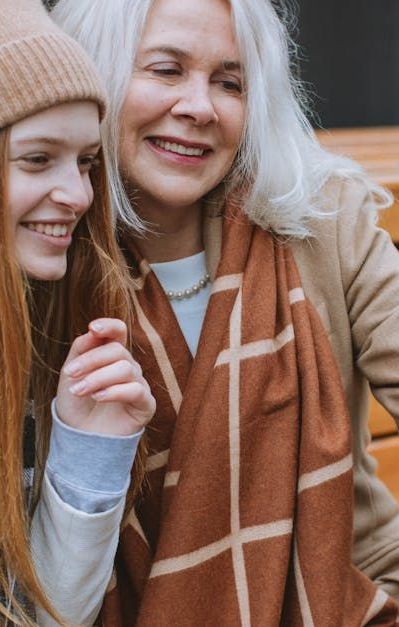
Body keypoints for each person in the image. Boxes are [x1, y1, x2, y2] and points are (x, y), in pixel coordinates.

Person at [51, 0, 399, 624]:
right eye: (166, 70)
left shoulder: (324, 220)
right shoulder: (47, 256)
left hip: (349, 597)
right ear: (96, 77)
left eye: (230, 83)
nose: (201, 107)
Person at [0, 1, 155, 625]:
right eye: (37, 159)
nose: (79, 195)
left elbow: (51, 615)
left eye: (87, 162)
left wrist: (88, 450)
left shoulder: (48, 337)